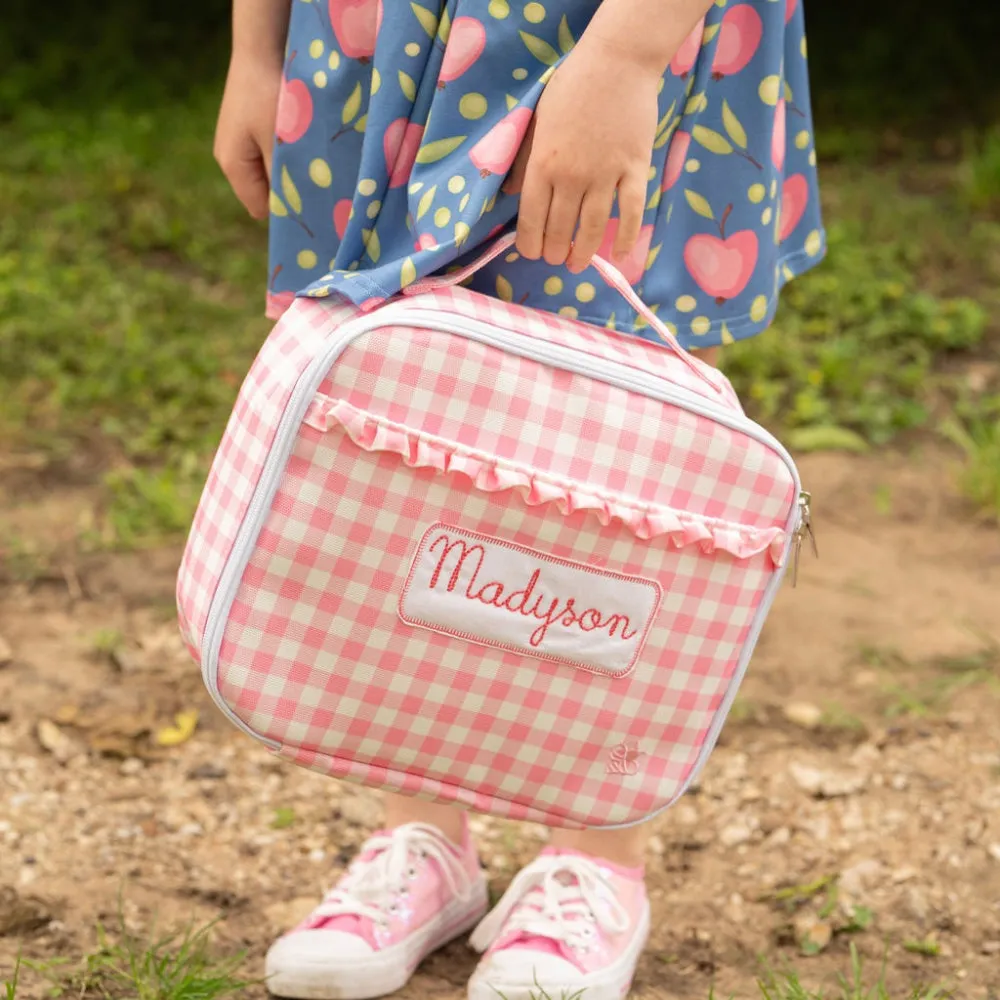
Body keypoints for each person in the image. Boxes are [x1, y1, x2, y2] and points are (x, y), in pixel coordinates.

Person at [212, 0, 824, 996]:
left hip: (621, 22)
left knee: (633, 426)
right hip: (384, 28)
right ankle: (420, 835)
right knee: (402, 423)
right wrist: (256, 44)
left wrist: (627, 55)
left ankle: (594, 860)